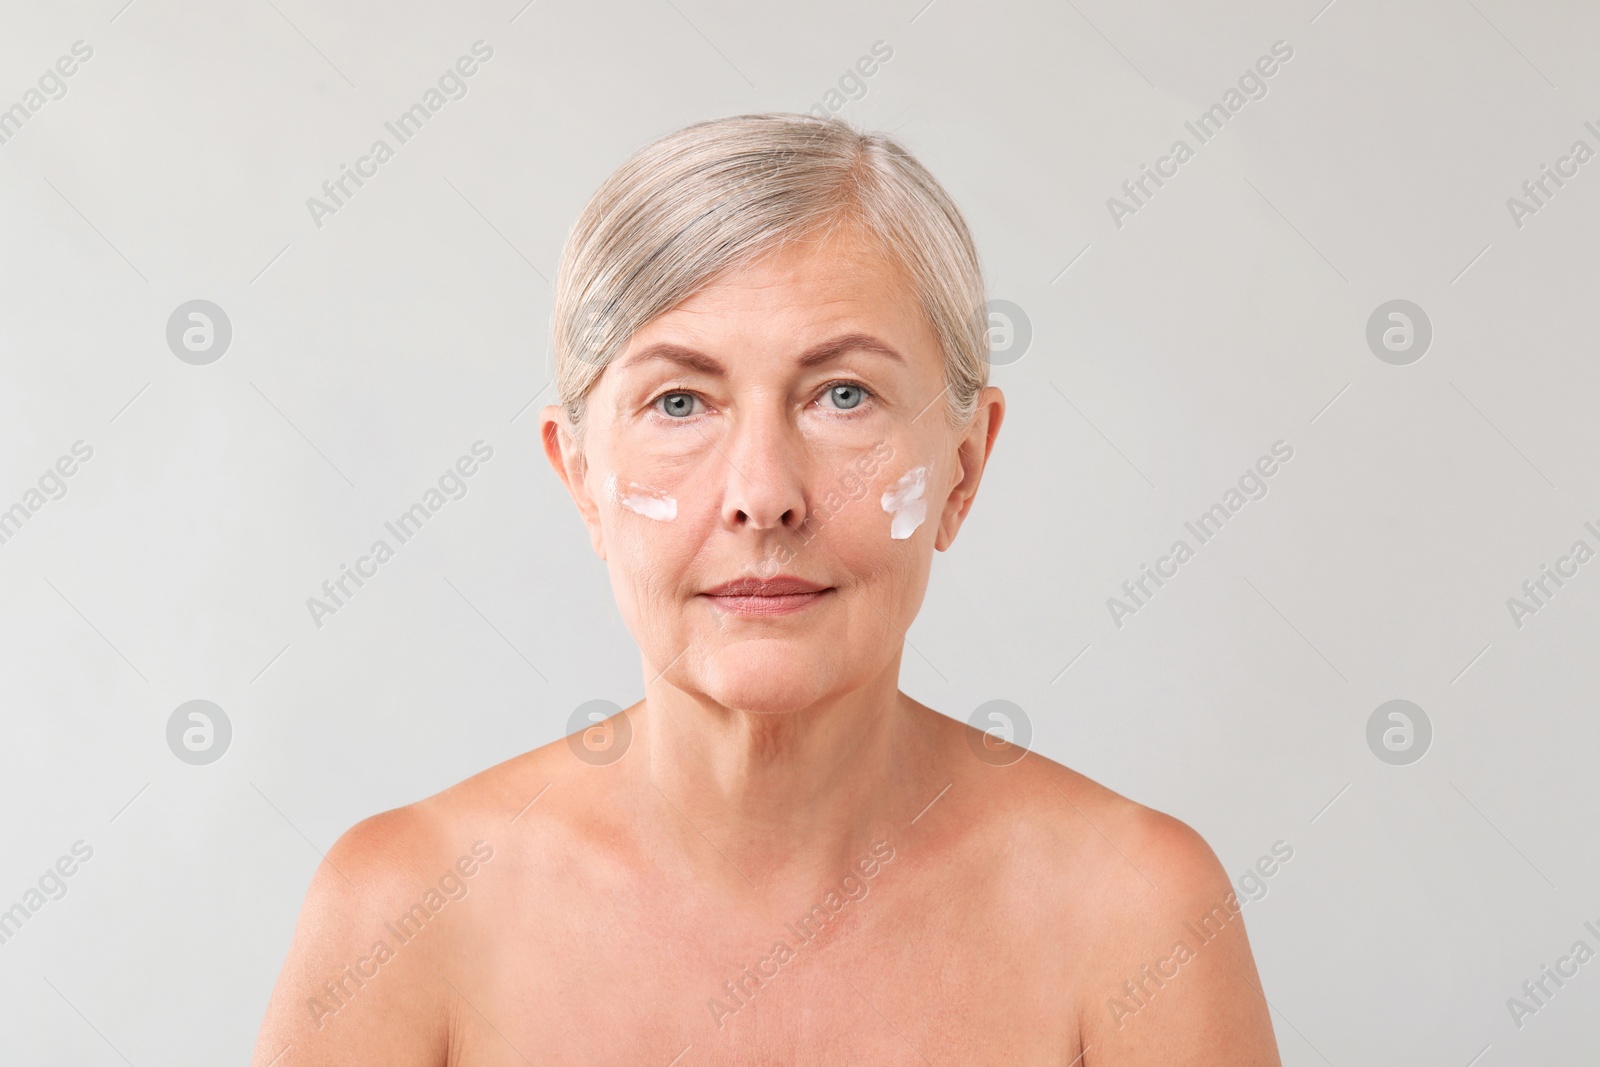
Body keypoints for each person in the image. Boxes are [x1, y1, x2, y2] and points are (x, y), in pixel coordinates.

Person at [251, 112, 1281, 1065]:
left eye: (843, 395)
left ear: (964, 467)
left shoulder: (1135, 915)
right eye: (679, 399)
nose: (764, 495)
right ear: (580, 478)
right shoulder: (403, 914)